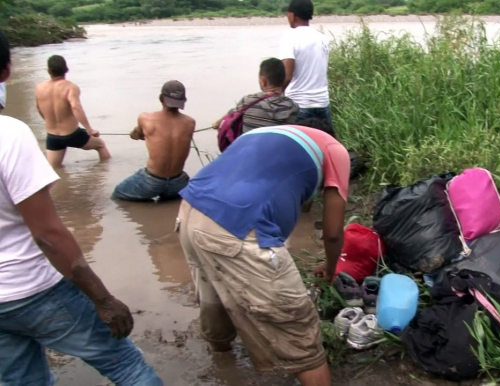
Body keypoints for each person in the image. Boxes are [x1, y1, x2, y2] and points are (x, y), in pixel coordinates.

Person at [0, 28, 162, 386]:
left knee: (20, 381)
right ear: (7, 71)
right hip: (29, 289)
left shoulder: (40, 91)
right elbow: (46, 234)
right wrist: (102, 299)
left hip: (52, 135)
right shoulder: (9, 133)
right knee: (127, 367)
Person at [176, 119, 350, 386]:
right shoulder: (335, 149)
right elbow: (334, 231)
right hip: (239, 225)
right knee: (298, 330)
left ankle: (224, 366)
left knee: (215, 296)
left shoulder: (262, 134)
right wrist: (330, 265)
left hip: (190, 210)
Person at [112, 80, 195, 202]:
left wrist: (137, 133)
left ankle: (150, 213)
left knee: (118, 194)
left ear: (161, 99)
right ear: (183, 101)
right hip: (177, 182)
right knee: (172, 194)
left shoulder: (145, 119)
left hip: (152, 181)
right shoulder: (190, 123)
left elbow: (135, 135)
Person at [35, 55, 111, 168]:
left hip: (52, 136)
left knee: (54, 169)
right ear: (66, 69)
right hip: (71, 134)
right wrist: (89, 129)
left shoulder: (39, 87)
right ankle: (106, 173)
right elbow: (76, 108)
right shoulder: (71, 87)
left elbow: (39, 109)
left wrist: (49, 121)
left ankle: (62, 184)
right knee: (100, 145)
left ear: (48, 70)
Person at [280, 0, 333, 128]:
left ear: (292, 15)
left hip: (299, 104)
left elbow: (287, 75)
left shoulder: (289, 38)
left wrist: (277, 93)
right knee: (323, 145)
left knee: (298, 146)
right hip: (322, 103)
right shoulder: (322, 38)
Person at [213, 58, 299, 133]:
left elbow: (229, 117)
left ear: (263, 81)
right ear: (284, 79)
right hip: (278, 151)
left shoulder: (247, 102)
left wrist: (217, 123)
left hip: (249, 151)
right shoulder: (293, 107)